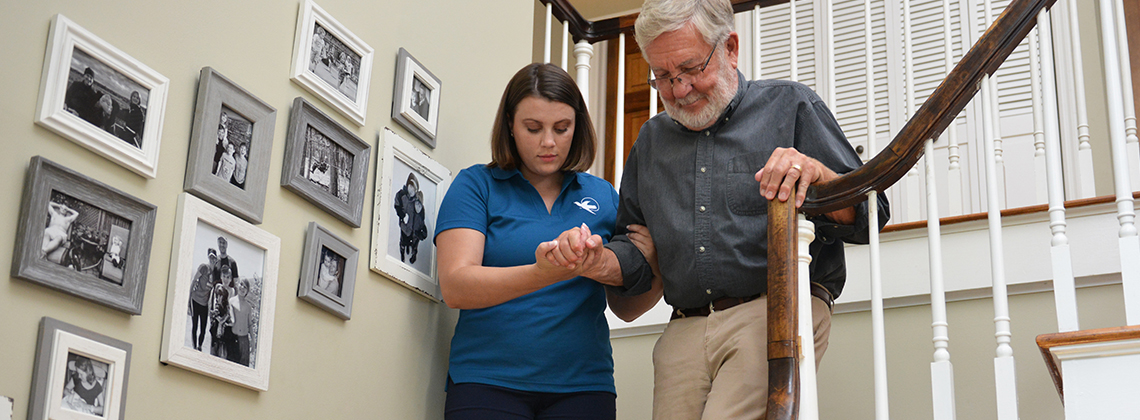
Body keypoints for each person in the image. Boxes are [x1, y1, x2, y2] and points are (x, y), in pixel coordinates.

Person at [546, 0, 891, 418]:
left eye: (691, 69)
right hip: (682, 330)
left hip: (774, 311)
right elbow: (636, 250)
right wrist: (599, 260)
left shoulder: (792, 105)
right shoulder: (650, 141)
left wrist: (817, 173)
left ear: (729, 48)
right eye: (663, 76)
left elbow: (871, 215)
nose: (678, 90)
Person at [434, 63, 660, 420]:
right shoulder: (476, 185)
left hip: (584, 388)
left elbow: (626, 309)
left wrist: (656, 265)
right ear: (510, 124)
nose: (549, 142)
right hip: (486, 382)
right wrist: (545, 272)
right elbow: (456, 287)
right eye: (533, 128)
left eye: (562, 128)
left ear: (578, 127)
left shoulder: (602, 195)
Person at [394, 173, 427, 264]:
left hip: (414, 230)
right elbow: (397, 204)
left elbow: (421, 219)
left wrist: (420, 231)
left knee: (414, 245)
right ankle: (402, 255)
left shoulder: (417, 202)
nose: (411, 189)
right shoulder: (402, 195)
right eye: (410, 186)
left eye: (413, 188)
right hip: (405, 226)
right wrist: (401, 214)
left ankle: (413, 255)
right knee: (403, 241)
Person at [225, 278, 254, 366]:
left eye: (245, 287)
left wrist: (253, 340)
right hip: (233, 339)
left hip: (244, 340)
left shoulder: (248, 306)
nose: (242, 288)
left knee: (243, 367)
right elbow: (231, 318)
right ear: (238, 285)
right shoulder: (231, 301)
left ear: (247, 291)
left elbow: (250, 324)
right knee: (231, 365)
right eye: (241, 285)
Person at [189, 261, 214, 351]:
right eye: (210, 257)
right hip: (195, 300)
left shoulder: (215, 274)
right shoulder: (203, 267)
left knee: (203, 328)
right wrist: (189, 298)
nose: (212, 260)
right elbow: (194, 280)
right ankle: (194, 347)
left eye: (214, 258)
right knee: (194, 325)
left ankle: (200, 346)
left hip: (204, 304)